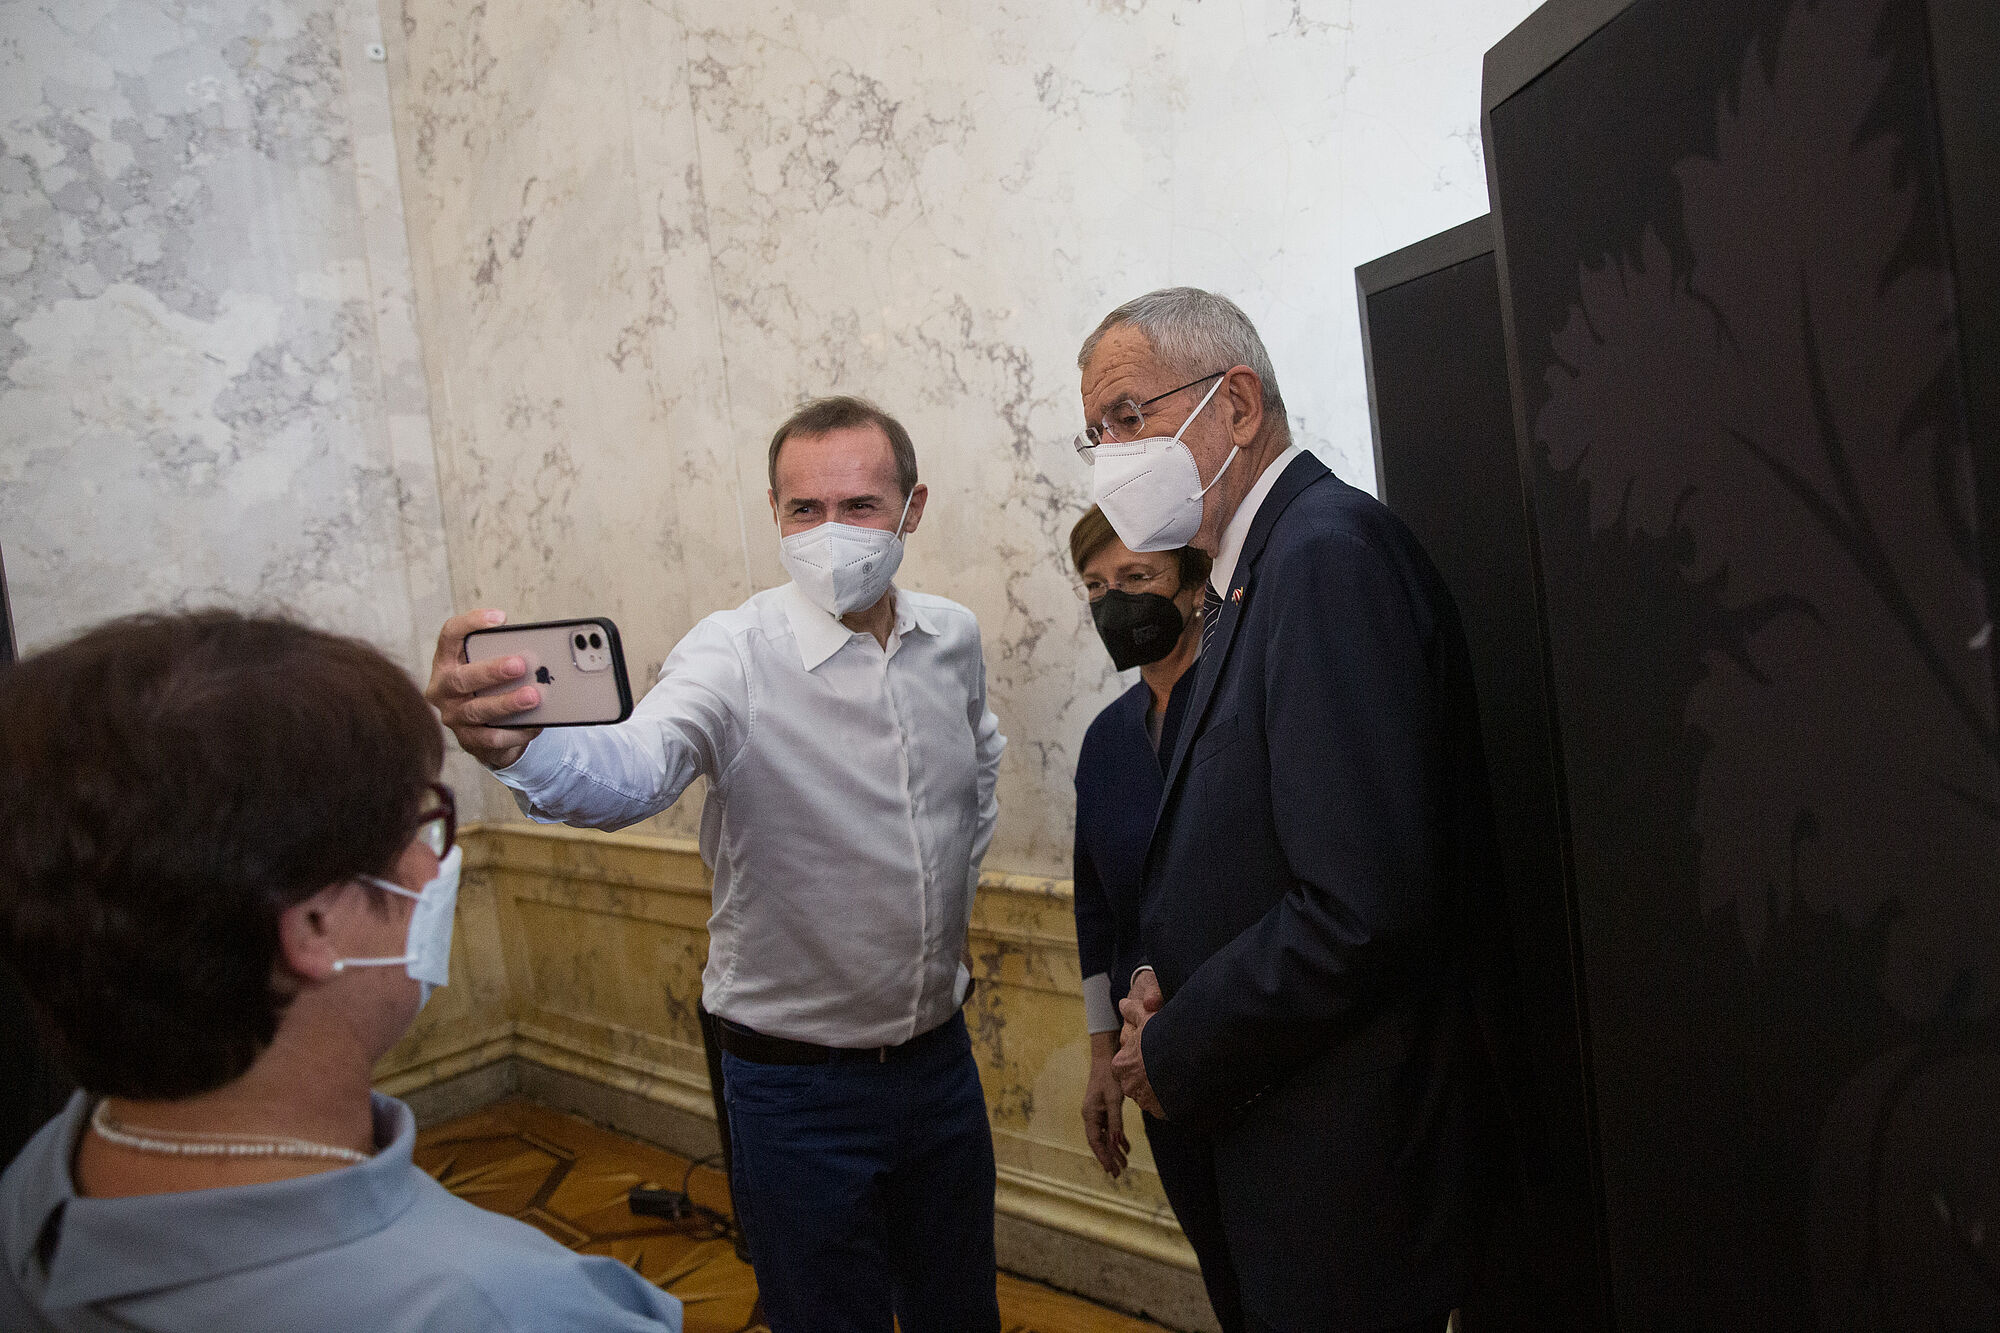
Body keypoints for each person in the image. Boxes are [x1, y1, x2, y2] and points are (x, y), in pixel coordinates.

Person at [423, 396, 1007, 1333]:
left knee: (961, 1308)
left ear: (912, 507)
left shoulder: (954, 636)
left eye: (859, 505)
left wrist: (948, 909)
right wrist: (521, 747)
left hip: (940, 1063)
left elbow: (977, 767)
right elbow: (635, 766)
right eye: (804, 509)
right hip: (795, 1087)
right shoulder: (734, 652)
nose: (830, 531)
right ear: (774, 512)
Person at [0, 611, 684, 1333]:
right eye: (420, 824)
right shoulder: (510, 1309)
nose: (437, 867)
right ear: (315, 927)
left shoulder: (39, 1178)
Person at [1076, 289, 1513, 1333]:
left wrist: (1179, 1042)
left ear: (1235, 405)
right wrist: (1163, 984)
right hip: (1282, 1125)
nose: (1109, 457)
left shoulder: (1322, 554)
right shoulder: (1252, 576)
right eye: (1095, 433)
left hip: (1345, 1150)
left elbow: (1361, 902)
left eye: (1129, 417)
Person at [1068, 507, 1245, 1333]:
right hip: (1159, 1072)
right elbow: (1097, 908)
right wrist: (1104, 1055)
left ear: (1195, 581)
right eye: (1096, 586)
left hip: (1260, 1055)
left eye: (1136, 578)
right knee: (1229, 1281)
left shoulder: (1244, 703)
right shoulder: (1106, 742)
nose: (1116, 603)